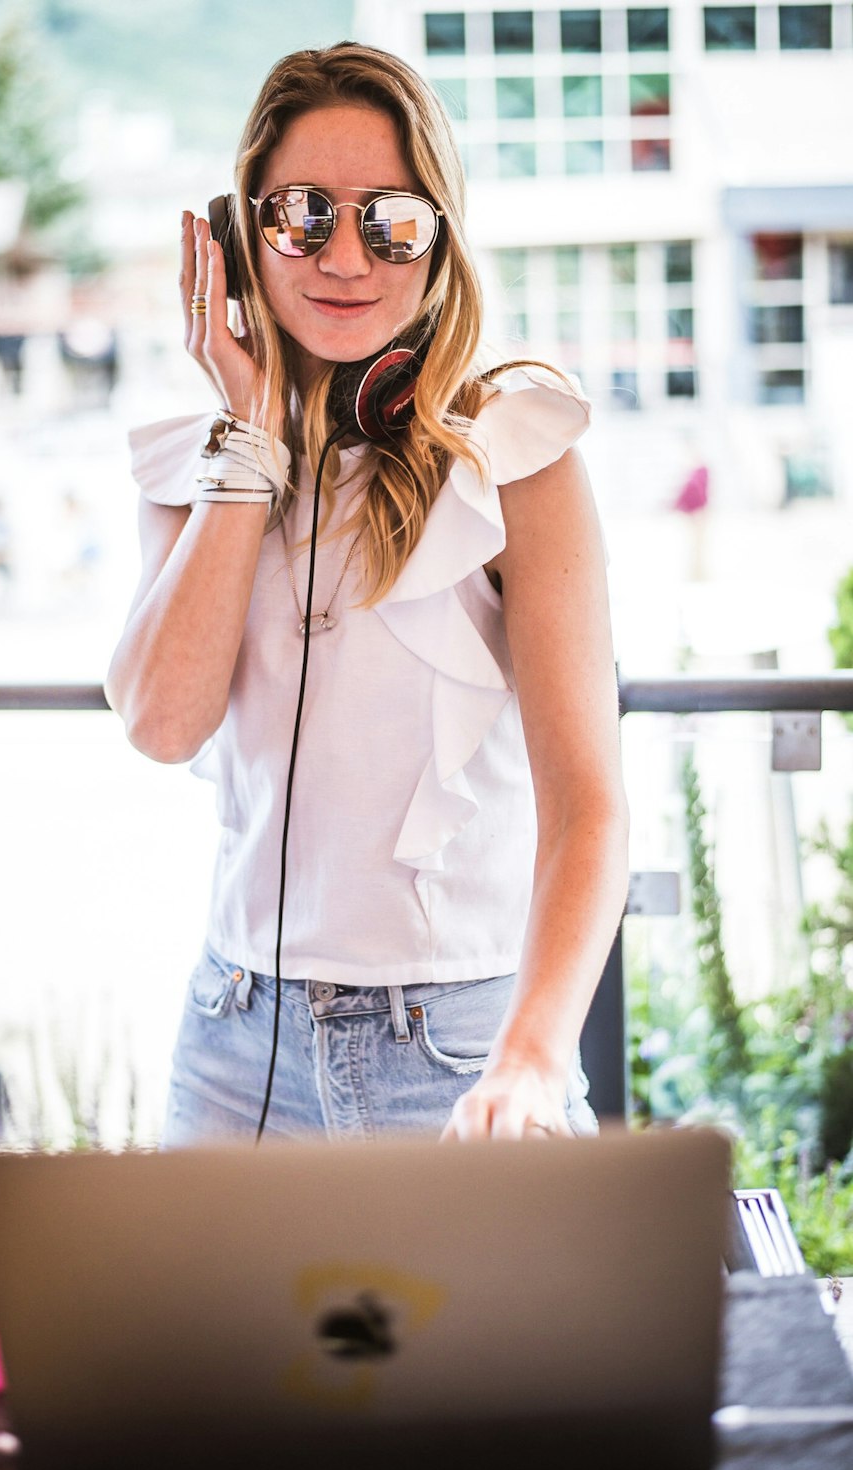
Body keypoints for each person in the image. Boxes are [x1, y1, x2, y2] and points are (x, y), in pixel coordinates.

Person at [105, 43, 629, 1146]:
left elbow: (587, 809)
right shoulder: (196, 463)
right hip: (234, 1044)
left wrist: (531, 1058)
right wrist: (252, 441)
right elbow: (161, 721)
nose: (347, 256)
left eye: (391, 220)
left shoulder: (515, 457)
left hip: (466, 1045)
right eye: (304, 213)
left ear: (437, 241)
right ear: (243, 231)